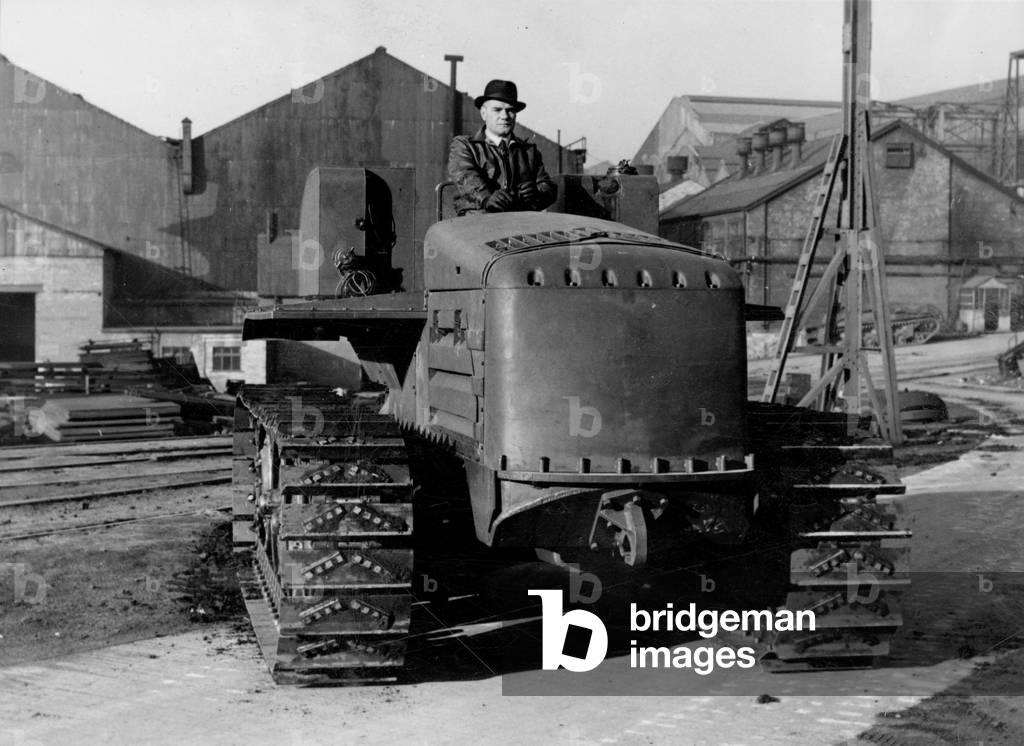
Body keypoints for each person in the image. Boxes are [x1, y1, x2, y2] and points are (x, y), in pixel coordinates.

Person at [448, 79, 558, 216]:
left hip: (519, 224)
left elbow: (547, 186)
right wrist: (486, 198)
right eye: (497, 110)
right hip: (476, 223)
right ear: (483, 113)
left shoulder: (529, 151)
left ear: (515, 115)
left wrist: (536, 194)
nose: (504, 116)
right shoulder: (465, 146)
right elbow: (465, 176)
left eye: (510, 110)